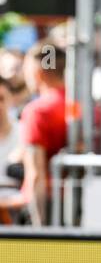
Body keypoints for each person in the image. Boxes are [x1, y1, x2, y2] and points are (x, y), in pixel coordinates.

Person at [17, 42, 68, 226]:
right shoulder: (81, 106)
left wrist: (39, 229)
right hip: (81, 201)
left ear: (38, 73)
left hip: (46, 207)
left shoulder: (37, 111)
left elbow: (35, 174)